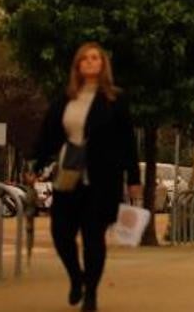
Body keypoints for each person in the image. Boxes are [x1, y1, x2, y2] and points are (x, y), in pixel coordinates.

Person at [33, 42, 141, 312]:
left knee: (93, 237)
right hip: (69, 176)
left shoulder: (115, 100)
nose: (91, 62)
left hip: (102, 178)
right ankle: (76, 278)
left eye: (96, 58)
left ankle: (91, 293)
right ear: (78, 65)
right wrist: (35, 163)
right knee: (61, 232)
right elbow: (48, 134)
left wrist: (133, 178)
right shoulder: (65, 99)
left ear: (103, 65)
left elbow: (127, 141)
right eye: (86, 59)